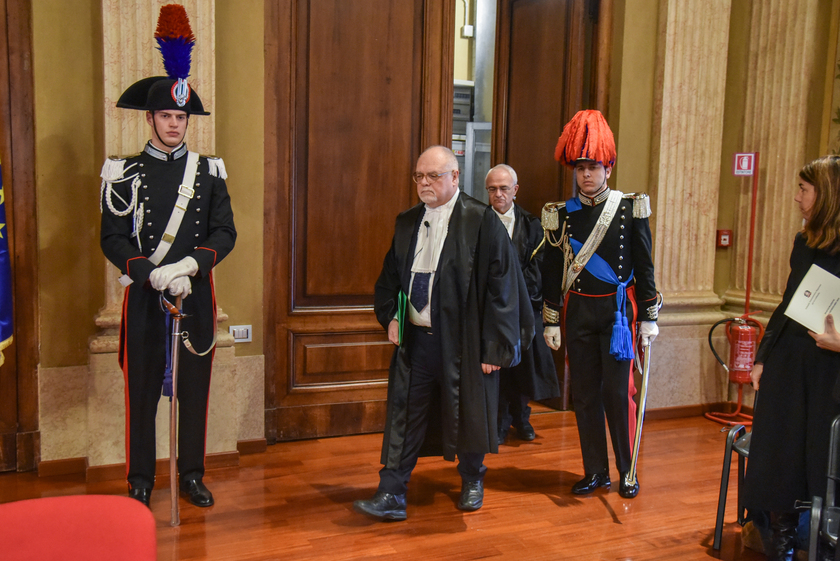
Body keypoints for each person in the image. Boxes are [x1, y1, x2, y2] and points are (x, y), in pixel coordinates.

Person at [99, 5, 236, 509]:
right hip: (144, 297)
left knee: (194, 388)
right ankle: (139, 479)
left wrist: (189, 267)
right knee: (140, 388)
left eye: (181, 117)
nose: (175, 124)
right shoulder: (123, 172)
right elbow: (111, 238)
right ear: (151, 118)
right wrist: (150, 272)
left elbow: (226, 231)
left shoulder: (210, 171)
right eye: (166, 116)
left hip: (194, 296)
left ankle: (193, 475)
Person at [353, 146, 534, 521]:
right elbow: (389, 281)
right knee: (405, 414)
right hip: (417, 342)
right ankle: (391, 493)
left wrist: (494, 349)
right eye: (419, 176)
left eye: (433, 176)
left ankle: (472, 480)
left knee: (469, 412)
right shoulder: (407, 222)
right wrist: (390, 317)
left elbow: (503, 289)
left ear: (455, 177)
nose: (424, 183)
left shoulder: (482, 221)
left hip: (466, 343)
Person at [540, 110, 658, 499]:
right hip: (579, 313)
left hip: (618, 314)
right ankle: (595, 471)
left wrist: (649, 316)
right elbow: (553, 269)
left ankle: (627, 470)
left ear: (608, 166)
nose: (586, 175)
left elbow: (644, 265)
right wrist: (552, 320)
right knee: (586, 395)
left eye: (593, 167)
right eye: (580, 168)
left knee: (616, 393)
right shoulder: (561, 215)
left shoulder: (629, 208)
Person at [744, 155, 840, 561]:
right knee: (779, 448)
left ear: (828, 195)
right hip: (790, 360)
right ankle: (781, 540)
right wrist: (763, 357)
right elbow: (787, 304)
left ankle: (822, 539)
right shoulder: (804, 242)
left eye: (804, 189)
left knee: (820, 452)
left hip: (830, 366)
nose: (796, 197)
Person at [484, 164, 560, 442]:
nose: (498, 194)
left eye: (504, 188)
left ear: (515, 190)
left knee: (524, 368)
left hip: (526, 309)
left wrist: (519, 300)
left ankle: (522, 418)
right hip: (491, 311)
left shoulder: (532, 225)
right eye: (492, 189)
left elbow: (538, 269)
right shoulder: (478, 223)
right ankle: (500, 421)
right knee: (499, 368)